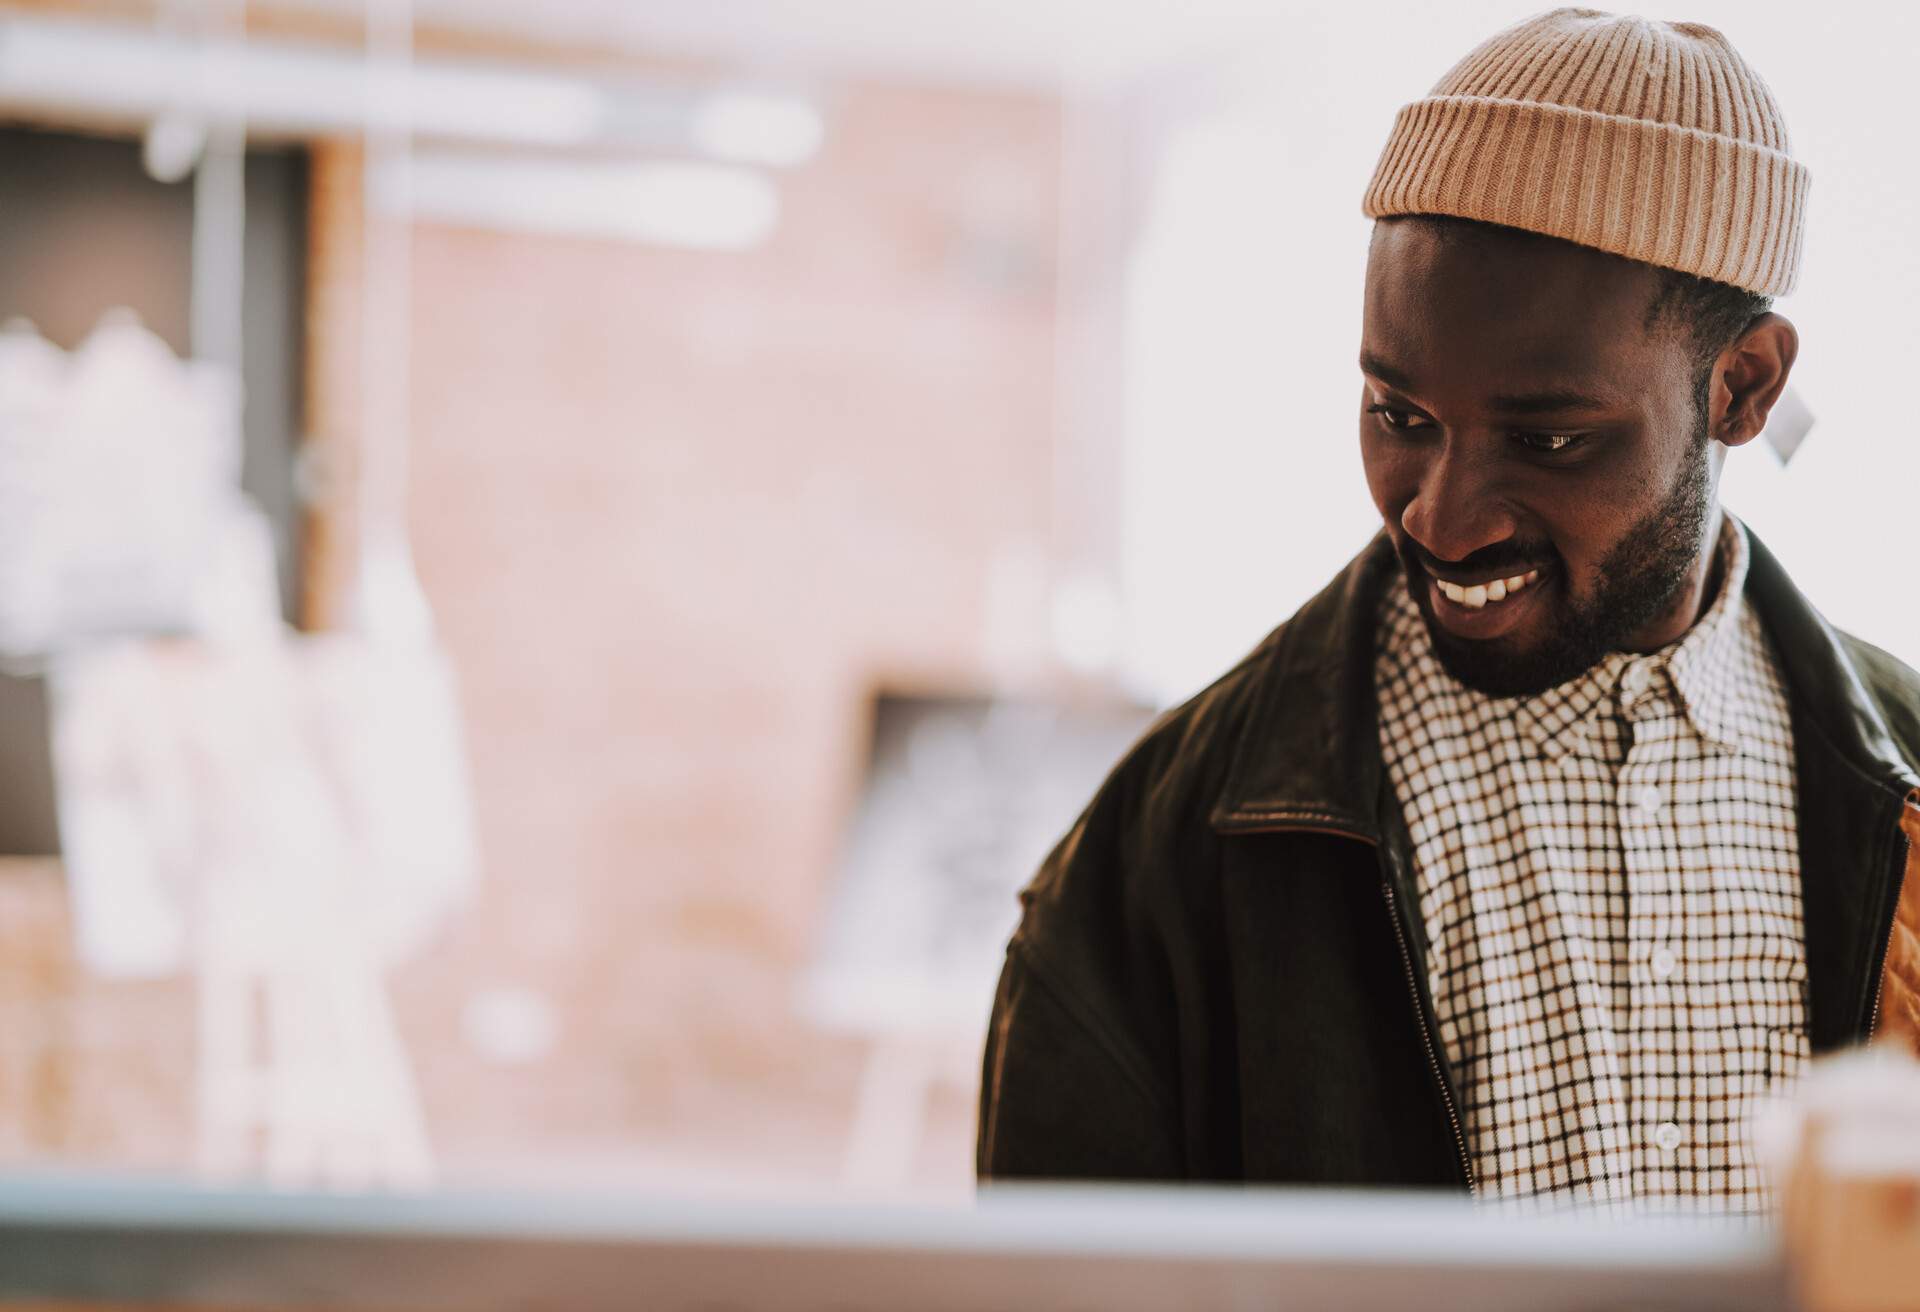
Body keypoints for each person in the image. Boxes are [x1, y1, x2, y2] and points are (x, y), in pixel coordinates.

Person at [976, 7, 1920, 1211]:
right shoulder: (1161, 855)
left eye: (1547, 438)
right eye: (1399, 415)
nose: (1442, 515)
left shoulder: (1910, 803)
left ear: (1742, 386)